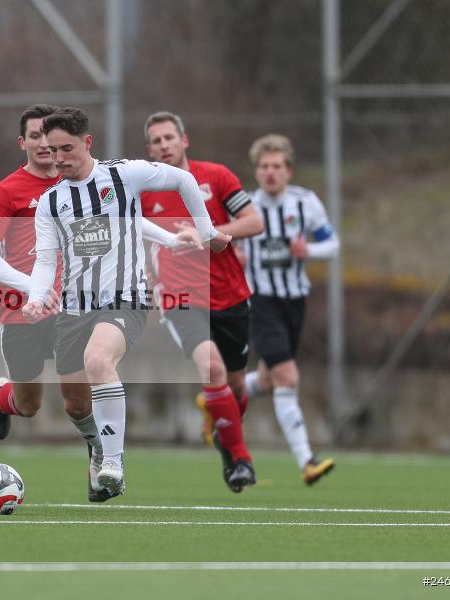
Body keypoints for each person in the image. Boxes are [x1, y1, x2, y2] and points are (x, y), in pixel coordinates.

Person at [0, 105, 202, 502]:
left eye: (56, 143)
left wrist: (168, 239)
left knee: (88, 383)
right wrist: (34, 289)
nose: (47, 149)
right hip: (25, 309)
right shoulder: (9, 193)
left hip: (76, 301)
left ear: (78, 144)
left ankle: (104, 459)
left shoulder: (97, 178)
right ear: (25, 143)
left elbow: (123, 217)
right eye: (37, 140)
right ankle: (2, 396)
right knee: (29, 404)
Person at [140, 111, 264, 493]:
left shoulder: (217, 176)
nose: (164, 145)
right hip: (179, 296)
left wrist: (208, 232)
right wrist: (145, 272)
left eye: (169, 138)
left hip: (229, 293)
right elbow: (138, 238)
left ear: (184, 140)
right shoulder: (142, 190)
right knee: (211, 367)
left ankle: (222, 426)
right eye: (156, 141)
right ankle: (238, 459)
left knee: (237, 386)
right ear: (150, 149)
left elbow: (254, 222)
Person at [241, 133, 339, 486]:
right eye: (264, 166)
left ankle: (217, 398)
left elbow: (333, 244)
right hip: (261, 301)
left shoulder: (305, 203)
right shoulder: (246, 206)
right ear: (256, 171)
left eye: (277, 166)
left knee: (269, 379)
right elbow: (228, 245)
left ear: (289, 170)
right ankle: (306, 461)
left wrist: (308, 250)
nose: (270, 173)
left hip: (295, 300)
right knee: (288, 377)